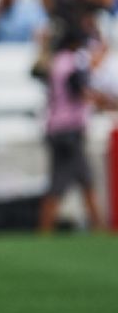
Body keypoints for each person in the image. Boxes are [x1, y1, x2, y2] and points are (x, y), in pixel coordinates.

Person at [38, 30, 106, 233]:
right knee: (71, 182)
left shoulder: (56, 62)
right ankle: (46, 229)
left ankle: (96, 227)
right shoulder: (73, 63)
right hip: (69, 130)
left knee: (80, 180)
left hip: (55, 128)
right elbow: (80, 89)